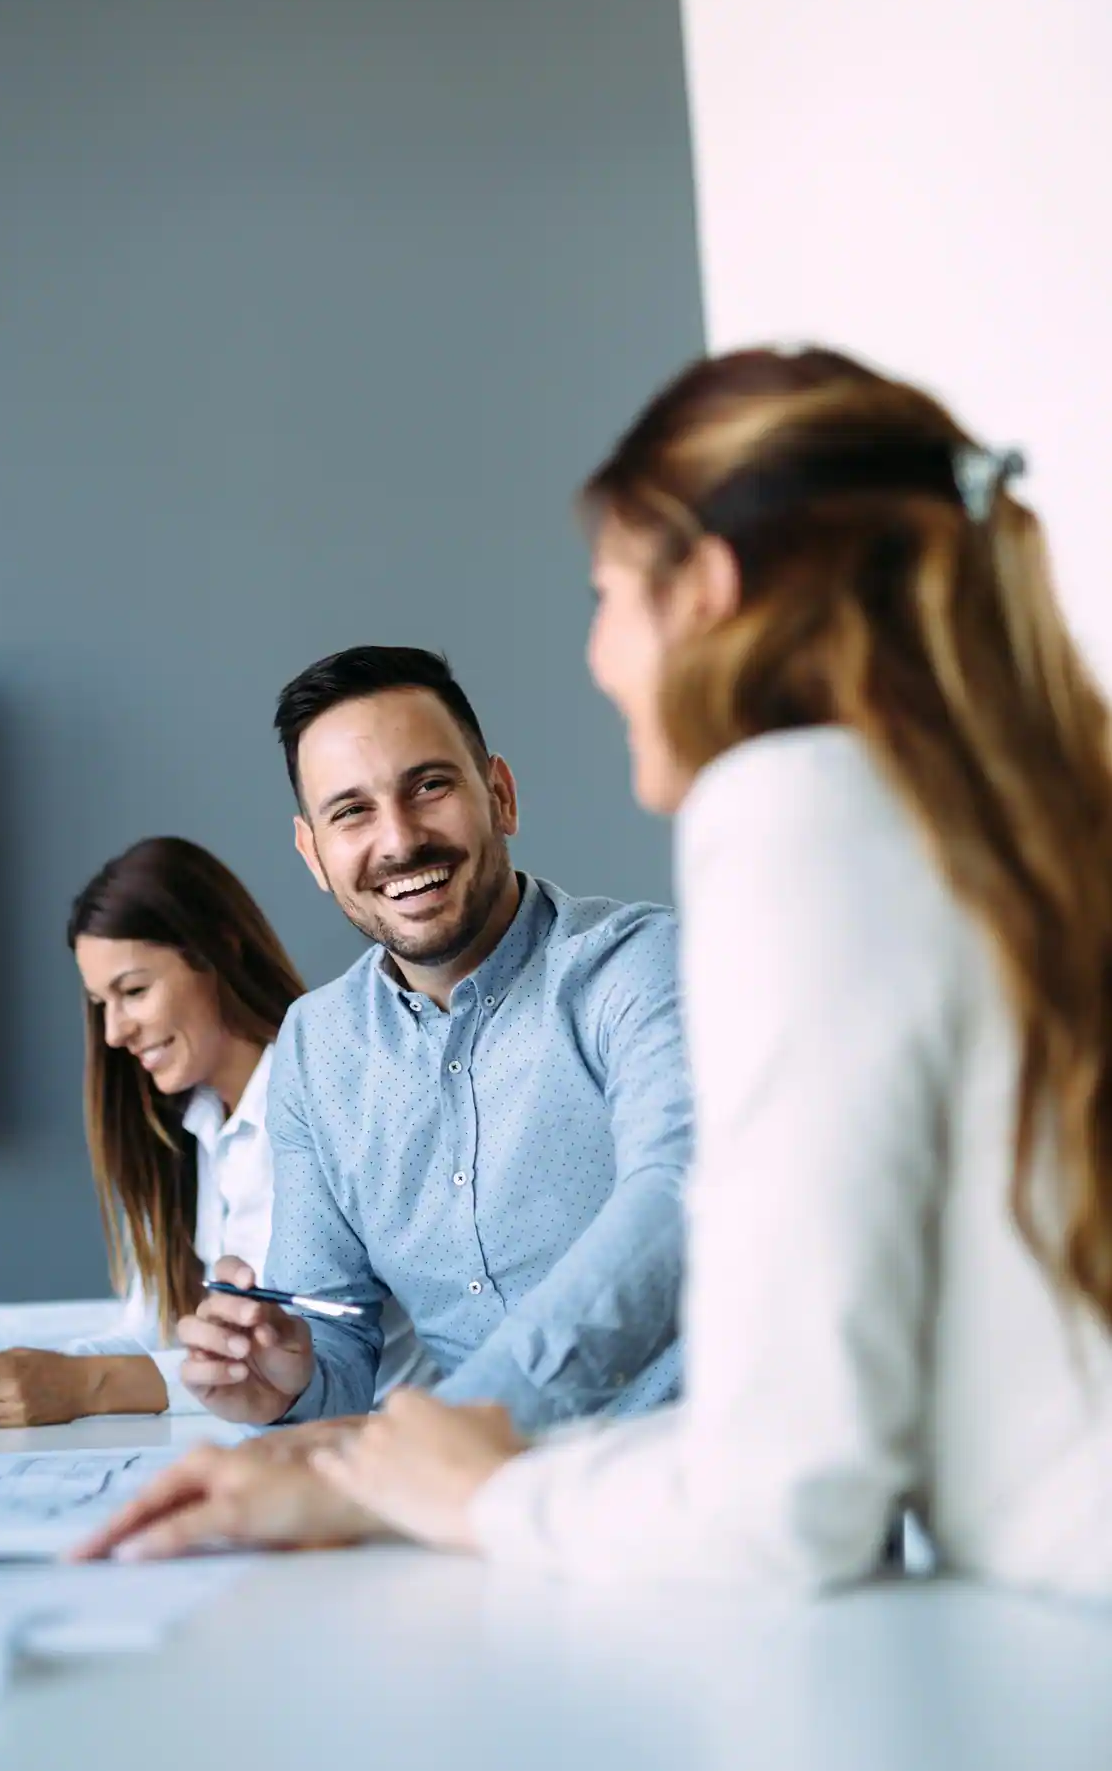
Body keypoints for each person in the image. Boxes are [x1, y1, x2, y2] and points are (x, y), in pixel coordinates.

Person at [299, 345, 1112, 1599]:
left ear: (704, 593)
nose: (597, 655)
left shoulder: (794, 813)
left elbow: (790, 1496)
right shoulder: (1010, 808)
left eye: (605, 597)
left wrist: (475, 1493)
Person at [74, 644, 690, 1554]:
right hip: (471, 1529)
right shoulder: (315, 1046)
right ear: (313, 852)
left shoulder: (640, 966)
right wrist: (284, 1378)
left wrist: (456, 1424)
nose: (398, 840)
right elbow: (336, 1345)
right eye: (351, 811)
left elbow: (675, 1199)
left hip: (688, 1501)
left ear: (500, 795)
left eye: (429, 786)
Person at [0, 836, 428, 1427]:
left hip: (396, 1433)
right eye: (102, 1003)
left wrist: (86, 1385)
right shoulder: (192, 1126)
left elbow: (265, 1365)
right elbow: (153, 1333)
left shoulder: (324, 1107)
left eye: (134, 991)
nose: (114, 1032)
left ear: (219, 950)